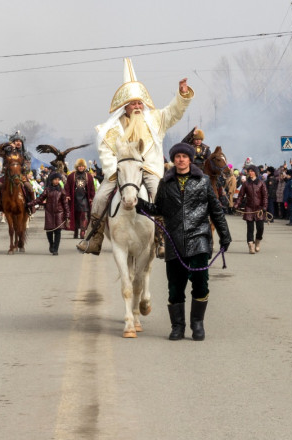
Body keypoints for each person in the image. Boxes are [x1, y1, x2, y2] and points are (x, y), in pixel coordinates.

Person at [77, 58, 194, 256]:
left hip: (148, 169)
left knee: (160, 194)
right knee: (99, 198)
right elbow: (106, 153)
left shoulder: (156, 120)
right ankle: (94, 238)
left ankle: (162, 240)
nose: (137, 106)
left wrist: (182, 95)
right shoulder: (110, 130)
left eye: (140, 102)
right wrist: (115, 171)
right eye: (133, 103)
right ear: (124, 106)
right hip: (120, 171)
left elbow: (174, 112)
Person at [137, 142, 231, 341]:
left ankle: (197, 324)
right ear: (174, 160)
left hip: (199, 240)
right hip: (174, 240)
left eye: (184, 156)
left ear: (190, 159)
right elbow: (159, 209)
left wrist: (225, 235)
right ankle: (177, 327)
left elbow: (215, 210)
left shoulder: (203, 181)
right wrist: (139, 204)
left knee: (201, 285)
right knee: (175, 287)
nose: (181, 160)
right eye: (177, 156)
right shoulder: (166, 183)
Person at [0, 131, 35, 212]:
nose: (18, 143)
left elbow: (28, 166)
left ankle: (31, 205)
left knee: (29, 187)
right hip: (7, 175)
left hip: (21, 175)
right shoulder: (6, 152)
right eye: (16, 141)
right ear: (12, 142)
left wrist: (23, 168)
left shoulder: (25, 154)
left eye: (20, 141)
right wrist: (6, 144)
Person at [35, 172, 70, 255]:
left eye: (58, 179)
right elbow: (39, 199)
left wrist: (67, 214)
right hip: (49, 213)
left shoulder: (61, 190)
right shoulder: (47, 190)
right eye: (55, 179)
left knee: (58, 231)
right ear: (51, 180)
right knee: (49, 231)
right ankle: (51, 244)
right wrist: (30, 204)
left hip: (59, 213)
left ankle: (56, 249)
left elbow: (65, 203)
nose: (57, 181)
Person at [236, 165, 267, 253]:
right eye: (249, 171)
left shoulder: (261, 183)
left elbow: (265, 196)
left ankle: (257, 241)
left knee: (260, 228)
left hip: (259, 209)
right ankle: (251, 245)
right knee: (250, 229)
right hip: (249, 208)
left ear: (256, 172)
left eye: (252, 171)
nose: (250, 173)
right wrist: (236, 205)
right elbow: (240, 196)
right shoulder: (246, 184)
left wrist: (264, 207)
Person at [65, 158, 95, 239]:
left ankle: (83, 231)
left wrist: (92, 197)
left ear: (84, 167)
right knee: (75, 215)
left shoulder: (88, 176)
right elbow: (67, 186)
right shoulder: (71, 176)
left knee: (84, 215)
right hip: (74, 199)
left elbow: (92, 187)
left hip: (85, 198)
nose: (81, 167)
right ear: (77, 167)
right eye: (79, 166)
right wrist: (67, 195)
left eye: (82, 166)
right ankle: (75, 231)